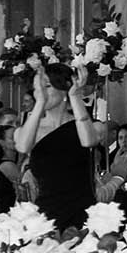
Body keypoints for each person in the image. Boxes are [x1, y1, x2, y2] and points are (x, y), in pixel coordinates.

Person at [13, 62, 98, 230]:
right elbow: (22, 147)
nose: (40, 92)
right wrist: (39, 103)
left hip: (83, 212)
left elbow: (89, 141)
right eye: (37, 87)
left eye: (46, 86)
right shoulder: (30, 129)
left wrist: (75, 97)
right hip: (47, 214)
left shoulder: (83, 125)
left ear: (63, 88)